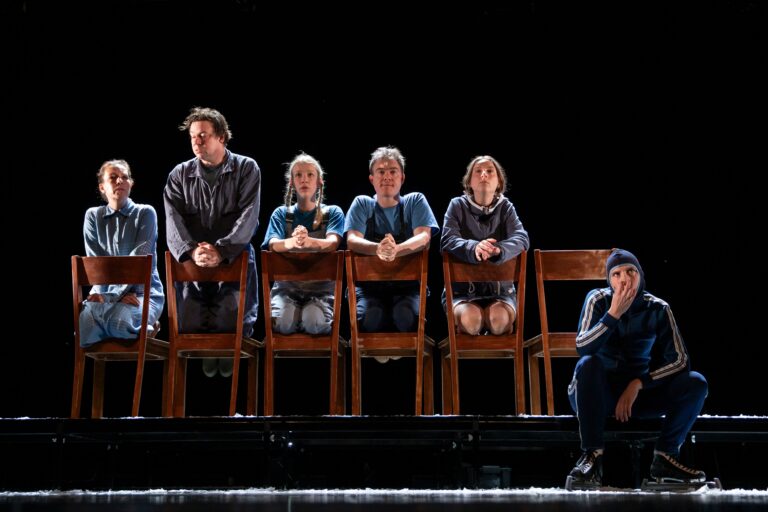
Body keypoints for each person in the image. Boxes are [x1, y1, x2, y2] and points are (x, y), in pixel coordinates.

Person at [566, 248, 708, 488]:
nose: (624, 279)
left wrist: (639, 383)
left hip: (637, 396)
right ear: (609, 280)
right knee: (588, 363)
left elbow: (680, 361)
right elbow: (583, 347)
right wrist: (613, 314)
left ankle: (665, 457)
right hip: (597, 394)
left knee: (696, 382)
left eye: (631, 271)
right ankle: (592, 456)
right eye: (617, 274)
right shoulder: (598, 299)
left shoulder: (658, 307)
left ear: (641, 275)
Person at [164, 107, 261, 378]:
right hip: (194, 263)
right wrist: (192, 250)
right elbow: (173, 220)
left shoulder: (246, 168)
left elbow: (248, 216)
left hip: (232, 259)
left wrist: (222, 249)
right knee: (190, 321)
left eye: (203, 135)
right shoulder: (179, 175)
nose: (196, 141)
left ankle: (225, 351)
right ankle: (209, 351)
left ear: (221, 137)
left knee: (230, 319)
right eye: (193, 136)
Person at [344, 146, 439, 361]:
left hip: (408, 289)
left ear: (402, 177)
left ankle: (395, 348)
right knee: (371, 318)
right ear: (372, 178)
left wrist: (397, 249)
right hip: (369, 290)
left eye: (393, 171)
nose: (387, 176)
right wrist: (378, 248)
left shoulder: (415, 201)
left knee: (405, 317)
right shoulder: (362, 203)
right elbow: (352, 240)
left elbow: (424, 238)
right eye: (381, 171)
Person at [440, 155, 529, 335]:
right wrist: (475, 247)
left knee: (498, 321)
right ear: (469, 182)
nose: (484, 175)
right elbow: (448, 239)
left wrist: (498, 249)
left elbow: (521, 238)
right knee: (472, 321)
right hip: (462, 294)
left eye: (489, 171)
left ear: (499, 182)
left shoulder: (506, 207)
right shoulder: (457, 205)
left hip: (501, 294)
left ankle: (503, 329)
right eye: (478, 171)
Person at [79, 160, 164, 347]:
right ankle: (142, 329)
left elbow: (138, 262)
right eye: (113, 177)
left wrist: (113, 296)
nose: (120, 181)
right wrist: (112, 296)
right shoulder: (92, 216)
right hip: (103, 294)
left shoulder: (145, 213)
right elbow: (97, 265)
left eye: (124, 177)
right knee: (84, 328)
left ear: (131, 184)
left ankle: (145, 327)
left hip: (141, 294)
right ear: (102, 187)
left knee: (118, 322)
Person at [261, 152, 345, 335]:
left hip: (320, 290)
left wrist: (308, 241)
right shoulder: (281, 214)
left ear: (319, 181)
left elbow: (332, 243)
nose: (304, 179)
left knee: (313, 322)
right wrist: (294, 242)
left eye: (310, 175)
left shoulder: (333, 213)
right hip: (287, 289)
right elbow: (273, 244)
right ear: (291, 182)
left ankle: (310, 321)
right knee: (283, 324)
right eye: (298, 175)